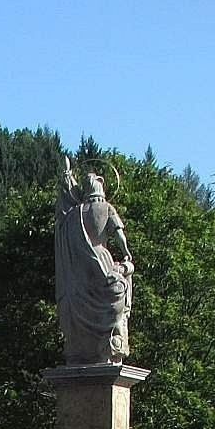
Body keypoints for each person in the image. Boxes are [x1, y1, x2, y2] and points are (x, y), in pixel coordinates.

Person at [53, 156, 134, 364]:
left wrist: (66, 178)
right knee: (119, 289)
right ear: (101, 188)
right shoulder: (106, 208)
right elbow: (119, 235)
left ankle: (86, 346)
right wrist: (126, 255)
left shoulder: (73, 214)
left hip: (79, 276)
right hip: (103, 264)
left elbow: (65, 203)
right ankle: (111, 337)